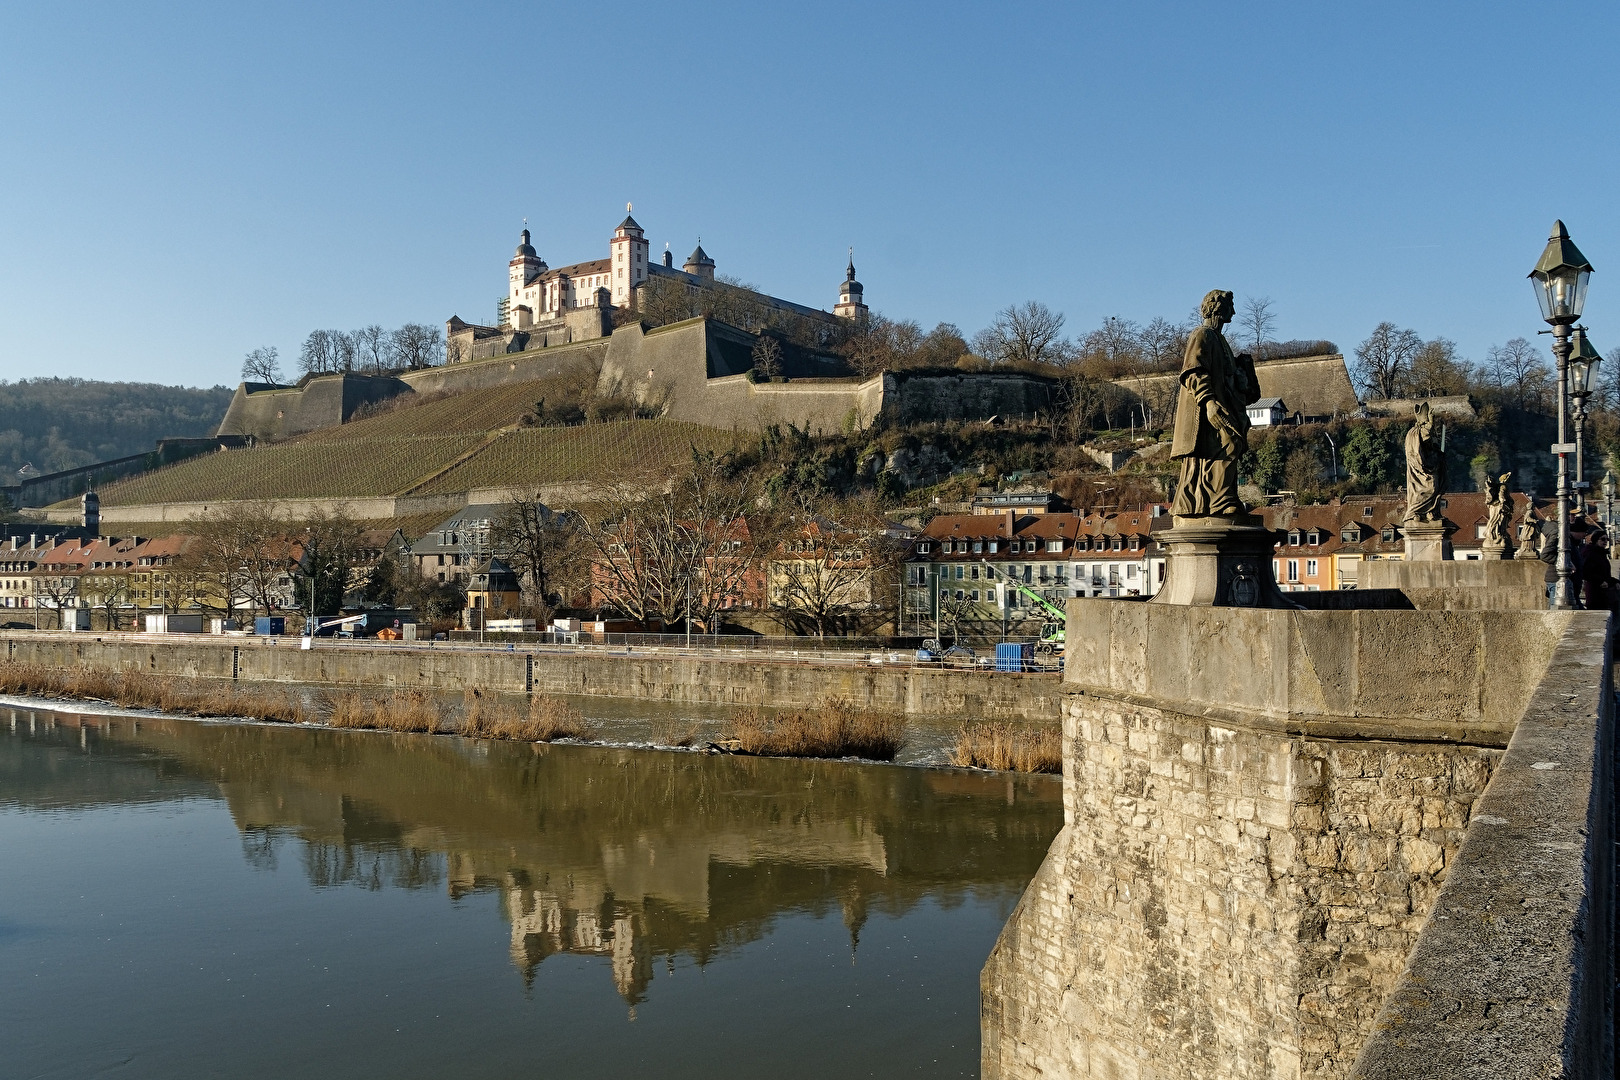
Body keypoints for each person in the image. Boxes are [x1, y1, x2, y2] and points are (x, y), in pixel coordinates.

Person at [1169, 290, 1260, 517]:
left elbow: (1228, 380)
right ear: (1218, 308)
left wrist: (1241, 373)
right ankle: (1219, 502)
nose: (1234, 312)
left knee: (1232, 445)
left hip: (1224, 405)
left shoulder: (1220, 340)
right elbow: (1193, 372)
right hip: (1206, 410)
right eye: (1231, 307)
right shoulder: (1202, 335)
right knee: (1228, 443)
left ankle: (1220, 498)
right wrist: (1208, 403)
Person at [1578, 528, 1614, 611]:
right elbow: (1586, 572)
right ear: (1595, 540)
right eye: (1602, 539)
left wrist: (1614, 582)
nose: (1605, 541)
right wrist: (1600, 581)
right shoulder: (1590, 553)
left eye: (1607, 539)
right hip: (1594, 590)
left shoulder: (1601, 553)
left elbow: (1605, 573)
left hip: (1603, 591)